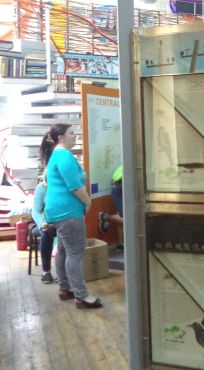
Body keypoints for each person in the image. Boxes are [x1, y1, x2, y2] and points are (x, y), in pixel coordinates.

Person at [39, 123, 102, 309]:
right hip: (68, 212)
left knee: (63, 251)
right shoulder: (64, 155)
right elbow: (74, 186)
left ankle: (65, 289)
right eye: (72, 133)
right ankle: (81, 296)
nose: (76, 136)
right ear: (60, 137)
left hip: (57, 212)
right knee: (75, 254)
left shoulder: (56, 155)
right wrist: (88, 202)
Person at [31, 177, 57, 284]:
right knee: (46, 234)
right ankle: (46, 271)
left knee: (70, 231)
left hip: (60, 220)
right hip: (44, 220)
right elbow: (36, 212)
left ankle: (65, 273)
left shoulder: (65, 186)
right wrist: (43, 224)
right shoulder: (41, 188)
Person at [98, 165, 124, 237]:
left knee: (121, 216)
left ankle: (121, 242)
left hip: (121, 189)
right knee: (127, 218)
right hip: (118, 190)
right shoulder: (132, 166)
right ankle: (105, 217)